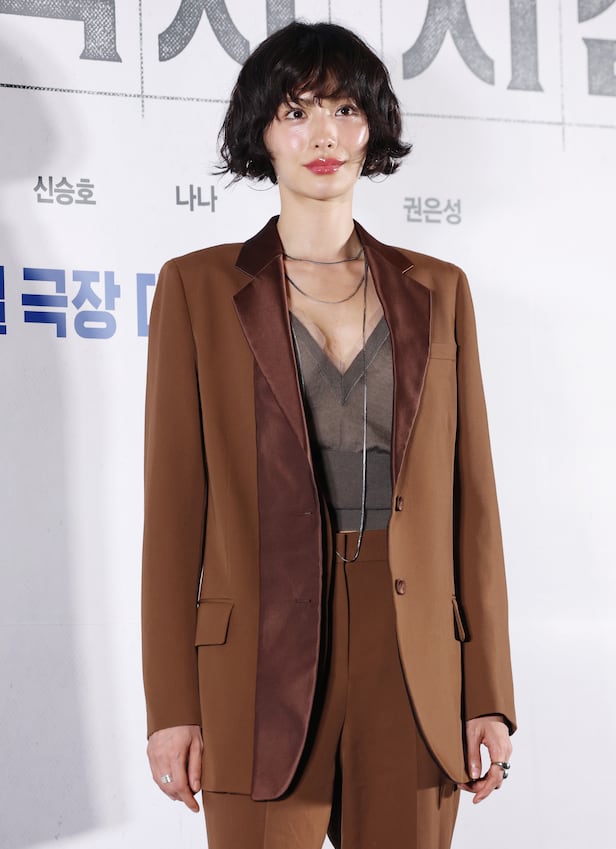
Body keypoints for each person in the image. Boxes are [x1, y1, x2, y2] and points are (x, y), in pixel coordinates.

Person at [141, 20, 516, 849]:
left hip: (413, 656)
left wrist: (487, 690)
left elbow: (473, 506)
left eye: (346, 109)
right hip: (255, 662)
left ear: (372, 128)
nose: (324, 135)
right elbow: (172, 514)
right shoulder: (197, 288)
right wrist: (172, 706)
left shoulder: (439, 290)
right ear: (262, 131)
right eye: (297, 110)